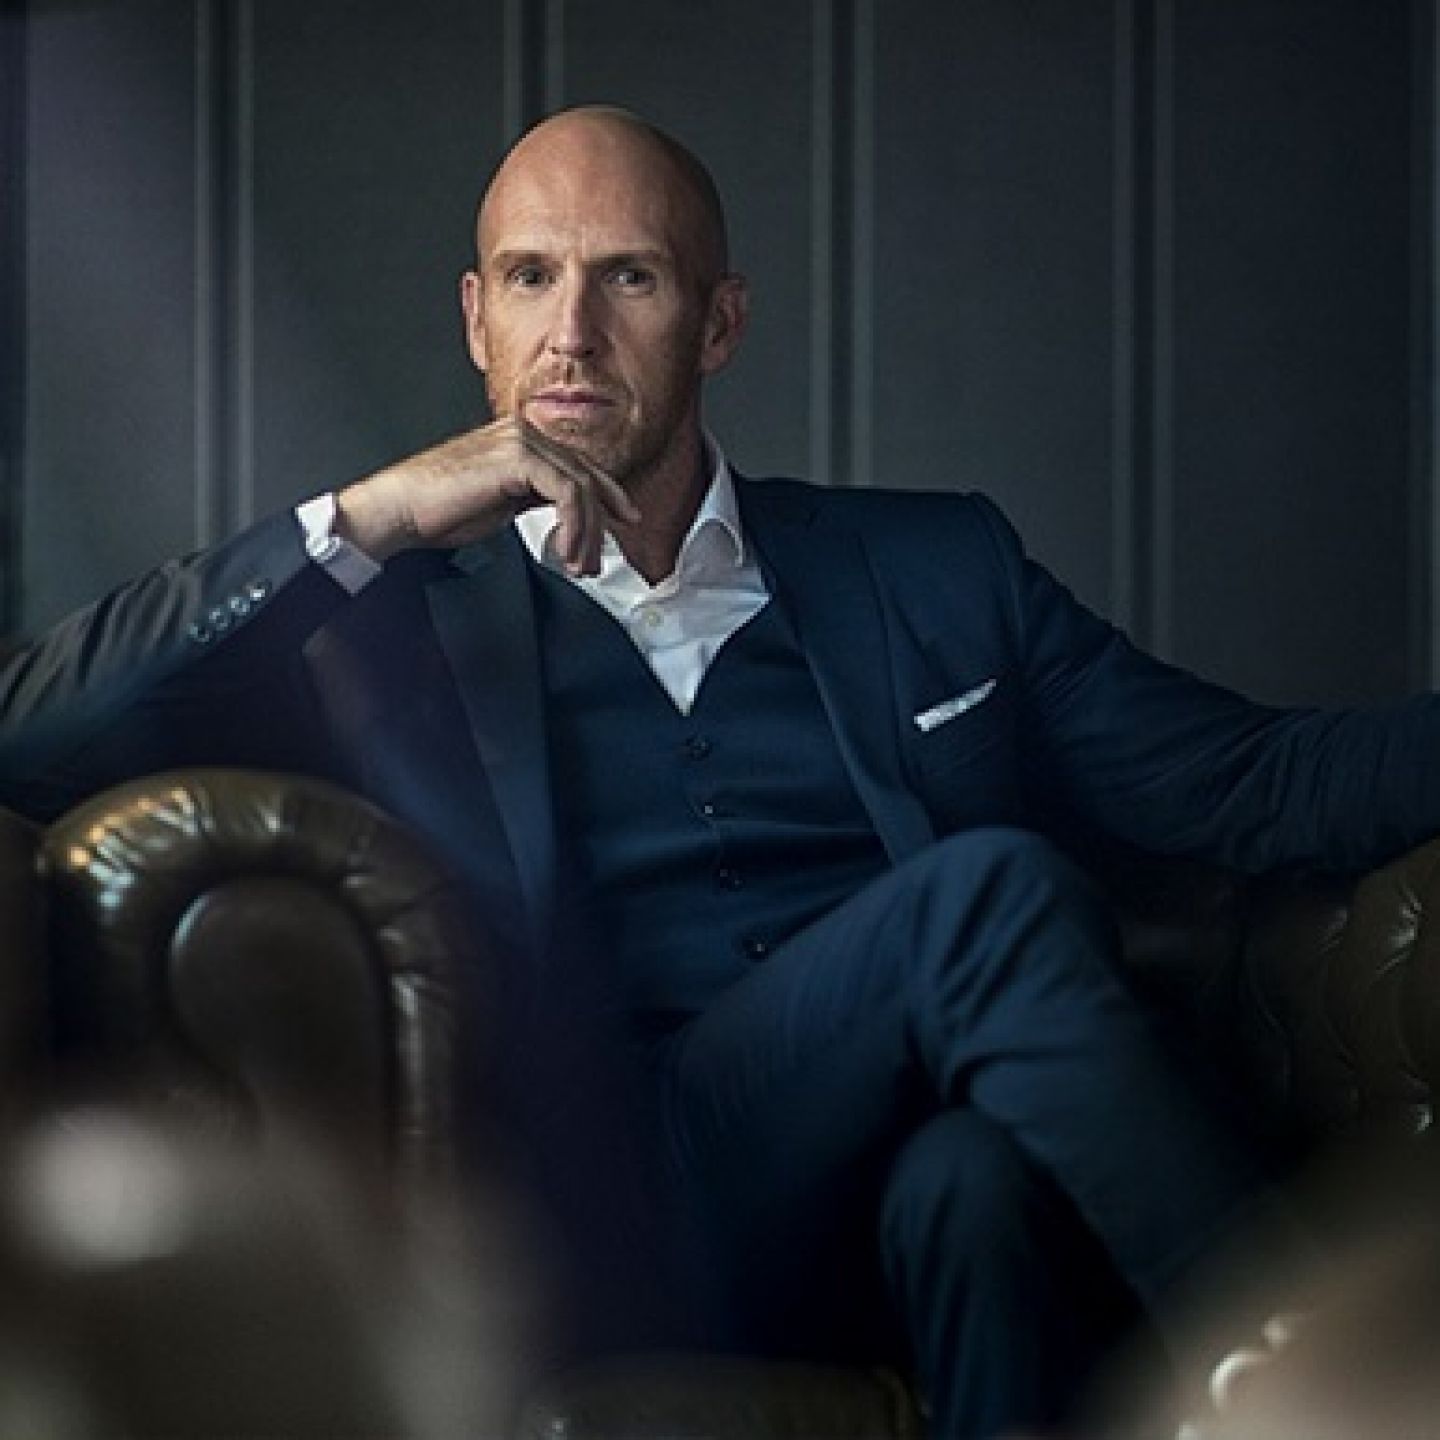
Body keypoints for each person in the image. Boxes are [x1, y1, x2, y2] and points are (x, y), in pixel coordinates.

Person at [4, 105, 1440, 1438]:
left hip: (893, 1195)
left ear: (721, 321)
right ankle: (1323, 1364)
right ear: (475, 321)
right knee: (983, 898)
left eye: (627, 279)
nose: (571, 332)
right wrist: (375, 514)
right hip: (619, 1220)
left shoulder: (934, 569)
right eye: (528, 278)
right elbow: (36, 730)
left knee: (974, 1186)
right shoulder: (373, 631)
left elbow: (1258, 784)